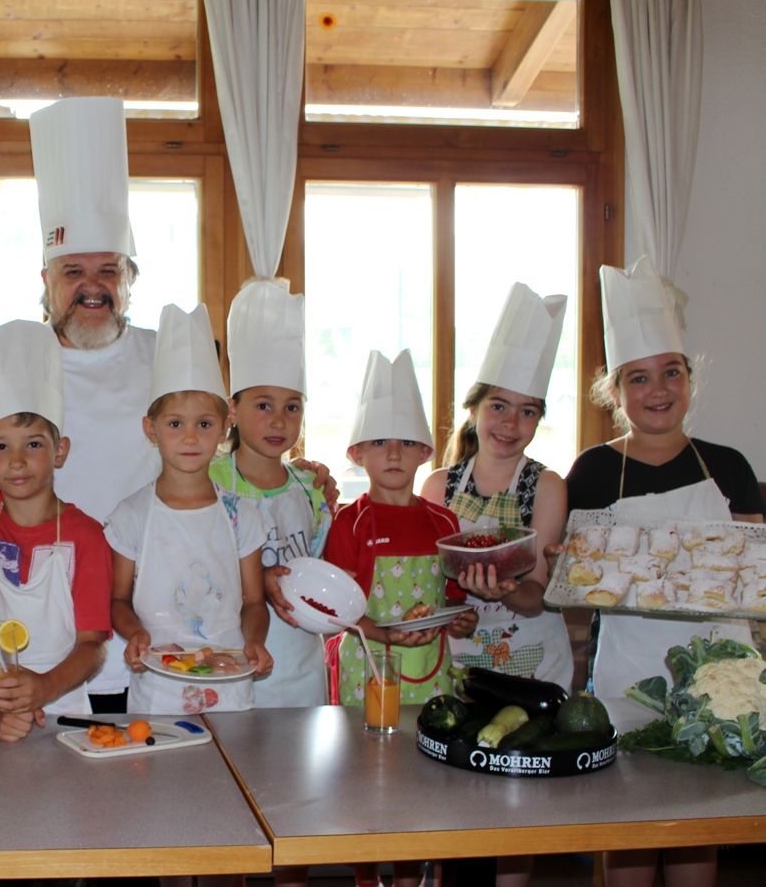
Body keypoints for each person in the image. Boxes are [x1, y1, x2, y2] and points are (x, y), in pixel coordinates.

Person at [26, 96, 335, 713]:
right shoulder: (16, 364)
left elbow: (234, 434)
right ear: (46, 281)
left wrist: (295, 475)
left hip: (176, 631)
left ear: (129, 280)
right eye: (73, 271)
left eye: (109, 270)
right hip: (51, 609)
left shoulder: (164, 352)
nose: (92, 286)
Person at [565, 257, 763, 887]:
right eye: (639, 377)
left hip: (720, 678)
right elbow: (578, 584)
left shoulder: (728, 466)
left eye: (671, 371)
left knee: (696, 827)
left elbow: (753, 576)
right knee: (629, 823)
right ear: (615, 392)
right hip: (628, 675)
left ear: (689, 379)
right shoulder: (593, 471)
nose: (658, 389)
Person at [420, 284, 571, 887]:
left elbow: (538, 596)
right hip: (458, 662)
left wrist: (504, 590)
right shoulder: (438, 486)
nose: (511, 423)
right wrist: (455, 602)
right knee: (450, 801)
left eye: (528, 411)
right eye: (499, 406)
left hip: (530, 664)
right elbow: (430, 589)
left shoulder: (547, 486)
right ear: (474, 408)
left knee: (516, 808)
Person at [325, 349, 476, 887]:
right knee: (365, 784)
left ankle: (413, 880)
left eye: (407, 443)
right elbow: (336, 612)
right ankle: (368, 879)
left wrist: (460, 621)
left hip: (430, 669)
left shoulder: (444, 520)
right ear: (357, 453)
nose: (394, 453)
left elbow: (455, 597)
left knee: (421, 781)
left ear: (425, 452)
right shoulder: (349, 523)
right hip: (368, 668)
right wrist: (383, 632)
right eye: (379, 442)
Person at [0, 320, 110, 740]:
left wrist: (44, 688)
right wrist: (0, 704)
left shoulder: (87, 536)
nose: (17, 461)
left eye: (34, 444)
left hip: (66, 713)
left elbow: (93, 644)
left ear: (60, 451)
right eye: (1, 446)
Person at [108, 304, 273, 715]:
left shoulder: (242, 516)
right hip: (157, 688)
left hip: (229, 683)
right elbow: (119, 599)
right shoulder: (131, 516)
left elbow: (254, 602)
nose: (190, 437)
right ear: (151, 429)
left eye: (204, 424)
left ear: (224, 427)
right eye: (175, 424)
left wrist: (254, 641)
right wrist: (135, 634)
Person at [214, 280, 332, 711]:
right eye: (263, 405)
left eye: (292, 407)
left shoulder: (311, 490)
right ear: (233, 409)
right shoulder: (209, 481)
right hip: (229, 659)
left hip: (301, 666)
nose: (279, 420)